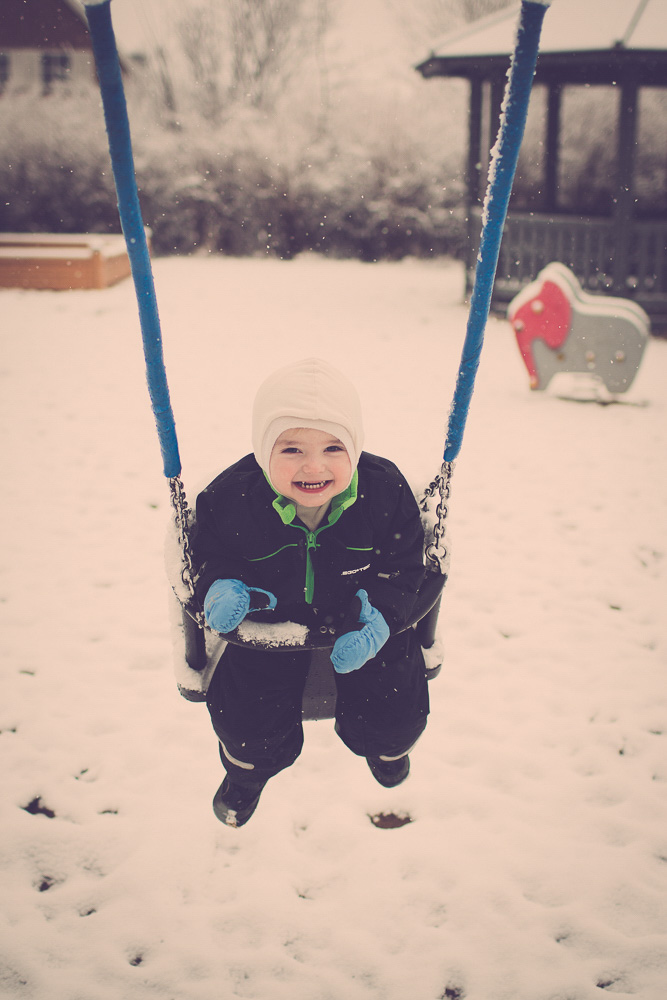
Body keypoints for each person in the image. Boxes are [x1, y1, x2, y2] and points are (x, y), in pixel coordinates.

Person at [191, 357, 429, 827]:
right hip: (270, 619)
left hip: (358, 618)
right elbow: (207, 551)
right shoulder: (232, 498)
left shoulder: (383, 493)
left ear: (356, 448)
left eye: (334, 448)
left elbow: (405, 566)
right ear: (263, 451)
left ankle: (387, 750)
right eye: (292, 449)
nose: (314, 466)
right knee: (245, 721)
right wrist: (219, 586)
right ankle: (247, 774)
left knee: (395, 706)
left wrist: (381, 616)